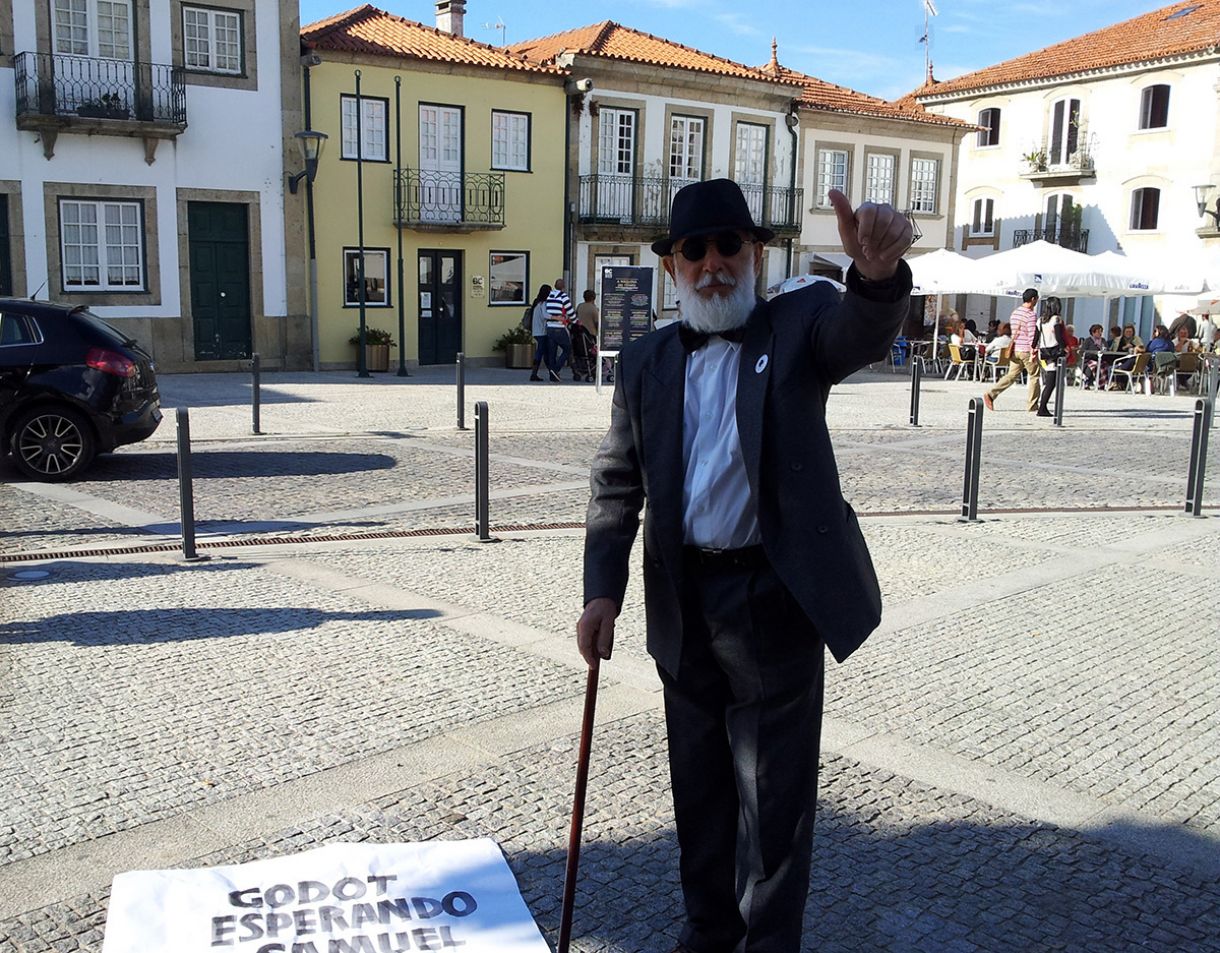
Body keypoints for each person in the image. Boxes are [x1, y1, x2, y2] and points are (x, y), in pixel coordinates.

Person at [578, 178, 913, 952]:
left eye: (729, 245)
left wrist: (876, 276)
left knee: (773, 803)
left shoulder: (797, 327)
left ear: (757, 254)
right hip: (683, 602)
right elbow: (616, 483)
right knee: (698, 791)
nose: (713, 263)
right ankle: (708, 932)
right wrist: (603, 591)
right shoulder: (645, 362)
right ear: (672, 269)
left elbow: (859, 332)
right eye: (694, 250)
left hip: (771, 597)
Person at [983, 288, 1040, 412]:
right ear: (1033, 299)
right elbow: (1032, 334)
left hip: (1015, 349)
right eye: (1037, 299)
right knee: (1034, 376)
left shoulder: (1015, 313)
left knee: (1011, 376)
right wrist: (1034, 350)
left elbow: (1014, 331)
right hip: (1026, 350)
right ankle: (1032, 405)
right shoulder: (1031, 315)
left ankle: (991, 393)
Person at [1034, 301, 1065, 417]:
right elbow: (1058, 336)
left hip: (1043, 352)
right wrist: (1064, 348)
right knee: (1051, 383)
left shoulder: (1040, 320)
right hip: (1054, 352)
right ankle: (1042, 408)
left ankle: (1043, 407)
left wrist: (1033, 349)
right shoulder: (1056, 319)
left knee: (1049, 381)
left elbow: (1036, 337)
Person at [544, 277, 574, 382]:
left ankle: (553, 375)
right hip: (559, 327)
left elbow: (546, 312)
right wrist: (575, 321)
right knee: (567, 349)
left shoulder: (549, 296)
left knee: (552, 351)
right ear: (564, 287)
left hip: (549, 327)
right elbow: (570, 311)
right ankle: (556, 369)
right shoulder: (563, 296)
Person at [527, 283, 551, 382]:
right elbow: (546, 316)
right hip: (542, 332)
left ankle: (550, 372)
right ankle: (535, 373)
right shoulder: (543, 304)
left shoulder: (536, 303)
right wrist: (555, 317)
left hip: (536, 331)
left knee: (543, 351)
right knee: (541, 352)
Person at [1079, 323, 1107, 389]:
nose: (1100, 333)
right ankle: (1087, 382)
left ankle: (1102, 384)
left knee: (1104, 365)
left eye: (1101, 331)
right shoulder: (1088, 340)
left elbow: (1106, 349)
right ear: (1093, 332)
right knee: (1094, 365)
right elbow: (1082, 352)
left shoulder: (1103, 340)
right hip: (1088, 360)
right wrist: (1093, 353)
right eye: (1098, 332)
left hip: (1100, 359)